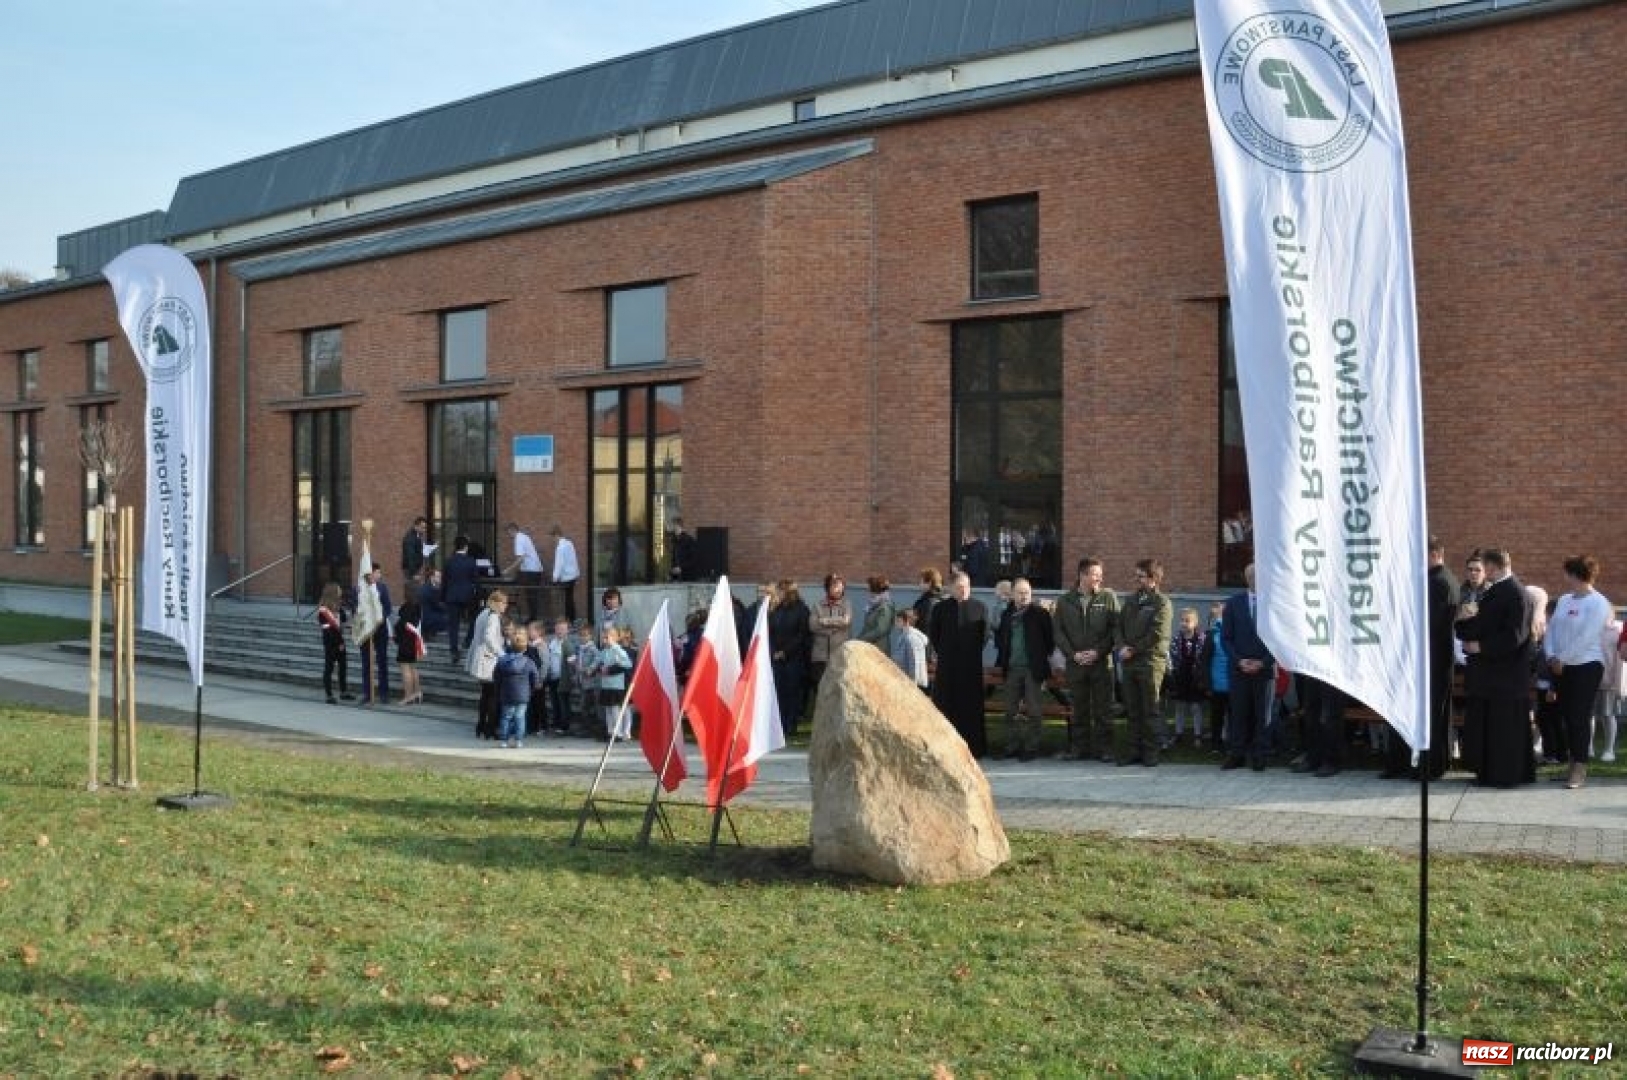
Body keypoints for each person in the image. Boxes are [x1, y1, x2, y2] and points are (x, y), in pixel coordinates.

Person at [1455, 547, 1536, 788]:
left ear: (1494, 566)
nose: (1484, 571)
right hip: (1489, 676)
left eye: (1486, 566)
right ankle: (1488, 772)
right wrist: (1462, 624)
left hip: (1505, 677)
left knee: (1504, 730)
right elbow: (1484, 624)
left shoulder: (1516, 593)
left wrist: (1481, 646)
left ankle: (1505, 775)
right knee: (1489, 727)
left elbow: (1515, 636)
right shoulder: (1497, 591)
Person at [1543, 555, 1613, 790]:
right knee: (1565, 716)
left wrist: (1562, 658)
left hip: (1586, 665)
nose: (1565, 578)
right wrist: (1551, 655)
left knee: (1578, 717)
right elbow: (1551, 629)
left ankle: (1580, 768)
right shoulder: (1564, 600)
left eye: (1568, 573)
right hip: (1560, 665)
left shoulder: (1599, 603)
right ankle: (1572, 763)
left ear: (1577, 575)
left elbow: (1587, 637)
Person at [1053, 557, 1120, 761]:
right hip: (1076, 664)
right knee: (1078, 708)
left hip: (1101, 663)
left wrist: (1098, 652)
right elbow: (1058, 632)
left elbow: (1116, 629)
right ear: (1082, 575)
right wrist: (1072, 654)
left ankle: (1105, 749)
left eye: (1100, 575)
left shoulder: (1108, 597)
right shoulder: (1065, 601)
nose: (1099, 578)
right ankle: (1079, 748)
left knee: (1103, 708)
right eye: (1095, 574)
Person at [1114, 559, 1172, 767]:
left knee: (1149, 709)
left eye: (1141, 576)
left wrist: (1132, 649)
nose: (1136, 579)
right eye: (1136, 575)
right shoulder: (1131, 600)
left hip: (1149, 662)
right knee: (1132, 708)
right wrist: (1121, 646)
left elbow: (1157, 634)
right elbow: (1118, 627)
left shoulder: (1162, 603)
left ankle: (1150, 751)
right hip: (1129, 662)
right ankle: (1133, 750)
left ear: (1153, 578)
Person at [927, 571, 991, 758]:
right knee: (946, 705)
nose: (965, 590)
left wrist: (970, 652)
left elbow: (984, 635)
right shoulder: (940, 609)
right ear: (951, 588)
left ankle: (974, 748)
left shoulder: (980, 607)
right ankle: (944, 746)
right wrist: (946, 652)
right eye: (960, 587)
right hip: (947, 667)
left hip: (971, 667)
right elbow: (935, 635)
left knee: (971, 707)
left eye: (967, 586)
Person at [994, 578, 1055, 761]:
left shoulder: (1040, 613)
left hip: (1033, 669)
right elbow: (1001, 638)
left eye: (1027, 592)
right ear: (1012, 594)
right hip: (1012, 668)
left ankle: (1031, 747)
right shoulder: (1007, 614)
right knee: (1010, 711)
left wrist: (1039, 657)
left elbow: (1049, 641)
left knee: (1034, 711)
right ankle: (1012, 746)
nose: (1024, 596)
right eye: (1020, 593)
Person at [1221, 563, 1274, 771]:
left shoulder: (1274, 602)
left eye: (1257, 576)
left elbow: (1280, 638)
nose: (1254, 580)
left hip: (1264, 669)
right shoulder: (1233, 603)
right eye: (1250, 576)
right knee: (1239, 713)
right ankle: (1237, 754)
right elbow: (1226, 638)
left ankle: (1260, 755)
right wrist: (1239, 661)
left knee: (1263, 714)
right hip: (1239, 669)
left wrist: (1264, 662)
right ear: (1246, 578)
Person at [769, 580, 811, 737]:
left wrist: (785, 652)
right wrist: (774, 651)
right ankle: (779, 726)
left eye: (780, 591)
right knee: (779, 692)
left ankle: (790, 725)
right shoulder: (776, 609)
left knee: (792, 692)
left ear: (788, 592)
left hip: (794, 659)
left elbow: (802, 635)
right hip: (777, 658)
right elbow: (770, 632)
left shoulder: (801, 610)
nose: (777, 593)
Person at [465, 589, 509, 740]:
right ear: (496, 603)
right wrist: (502, 654)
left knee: (485, 694)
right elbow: (489, 638)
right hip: (489, 659)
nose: (505, 606)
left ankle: (481, 725)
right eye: (504, 603)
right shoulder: (493, 616)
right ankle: (490, 728)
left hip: (482, 657)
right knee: (493, 696)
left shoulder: (483, 613)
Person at [494, 626, 541, 749]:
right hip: (523, 695)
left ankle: (504, 740)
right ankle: (518, 740)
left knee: (506, 717)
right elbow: (535, 678)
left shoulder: (502, 661)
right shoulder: (529, 662)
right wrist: (531, 690)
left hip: (506, 694)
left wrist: (498, 690)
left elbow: (496, 677)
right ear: (525, 648)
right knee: (520, 717)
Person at [808, 574, 853, 702]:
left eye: (841, 587)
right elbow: (812, 626)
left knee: (837, 689)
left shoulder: (846, 604)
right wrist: (832, 628)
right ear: (828, 588)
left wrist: (824, 621)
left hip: (839, 653)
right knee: (819, 688)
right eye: (836, 587)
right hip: (820, 655)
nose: (839, 590)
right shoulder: (818, 605)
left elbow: (846, 621)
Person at [1167, 607, 1207, 747]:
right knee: (1180, 706)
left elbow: (1204, 658)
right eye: (1182, 620)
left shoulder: (1202, 639)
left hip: (1195, 677)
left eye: (1187, 621)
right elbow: (1172, 657)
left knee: (1196, 707)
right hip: (1181, 676)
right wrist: (1173, 673)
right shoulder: (1177, 639)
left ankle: (1198, 735)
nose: (1183, 623)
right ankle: (1179, 733)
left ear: (1195, 623)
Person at [442, 536, 479, 665]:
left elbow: (444, 581)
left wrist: (443, 597)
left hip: (452, 596)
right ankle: (467, 640)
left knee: (453, 625)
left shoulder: (448, 561)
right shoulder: (471, 561)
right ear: (465, 547)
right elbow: (475, 580)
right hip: (467, 596)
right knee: (474, 618)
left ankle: (454, 651)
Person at [1200, 601, 1230, 754]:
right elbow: (1205, 661)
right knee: (1217, 715)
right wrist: (1208, 683)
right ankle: (1216, 744)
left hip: (1233, 683)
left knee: (1233, 716)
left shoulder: (1235, 632)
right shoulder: (1211, 635)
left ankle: (1231, 743)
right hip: (1217, 684)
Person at [316, 582, 352, 704]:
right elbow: (328, 631)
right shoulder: (323, 611)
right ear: (333, 592)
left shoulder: (338, 607)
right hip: (330, 643)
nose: (341, 591)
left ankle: (343, 692)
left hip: (340, 641)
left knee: (343, 667)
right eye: (339, 590)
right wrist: (339, 643)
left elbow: (344, 622)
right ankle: (329, 695)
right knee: (329, 668)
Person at [596, 625, 633, 740]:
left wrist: (611, 668)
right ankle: (610, 731)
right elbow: (598, 662)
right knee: (608, 709)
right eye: (603, 638)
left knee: (615, 709)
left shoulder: (619, 650)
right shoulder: (603, 651)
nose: (604, 640)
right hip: (606, 684)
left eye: (606, 638)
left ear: (615, 638)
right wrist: (599, 668)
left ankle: (619, 733)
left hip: (616, 685)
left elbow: (628, 664)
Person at [503, 522, 545, 623]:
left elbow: (520, 558)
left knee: (531, 596)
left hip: (531, 571)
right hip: (534, 570)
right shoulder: (524, 537)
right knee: (532, 596)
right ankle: (533, 618)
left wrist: (508, 570)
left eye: (508, 532)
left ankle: (533, 619)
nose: (509, 535)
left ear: (512, 530)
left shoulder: (518, 538)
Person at [890, 608, 930, 691]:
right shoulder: (903, 635)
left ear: (906, 621)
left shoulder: (912, 638)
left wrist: (912, 684)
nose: (895, 623)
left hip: (909, 681)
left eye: (898, 620)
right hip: (903, 677)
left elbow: (914, 663)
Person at [395, 596, 425, 705]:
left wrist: (395, 633)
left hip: (405, 643)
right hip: (413, 642)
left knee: (405, 670)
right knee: (413, 668)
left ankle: (408, 696)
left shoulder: (407, 609)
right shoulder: (418, 608)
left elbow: (401, 625)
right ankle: (417, 692)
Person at [549, 524, 581, 622]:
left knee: (566, 599)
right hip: (573, 576)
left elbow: (559, 563)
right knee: (569, 598)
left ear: (556, 535)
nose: (553, 540)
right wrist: (577, 574)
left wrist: (554, 578)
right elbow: (574, 559)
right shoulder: (569, 543)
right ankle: (572, 618)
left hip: (566, 577)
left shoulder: (560, 547)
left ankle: (568, 619)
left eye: (553, 537)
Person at [857, 576, 896, 650]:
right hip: (869, 645)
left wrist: (862, 639)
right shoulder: (873, 604)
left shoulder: (885, 606)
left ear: (875, 589)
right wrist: (857, 639)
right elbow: (867, 627)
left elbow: (881, 629)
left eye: (869, 587)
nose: (867, 590)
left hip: (879, 647)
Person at [417, 568, 448, 644]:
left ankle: (429, 633)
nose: (440, 578)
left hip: (426, 613)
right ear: (432, 577)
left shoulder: (430, 586)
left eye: (440, 577)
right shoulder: (429, 589)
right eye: (438, 576)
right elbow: (436, 604)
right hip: (426, 616)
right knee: (447, 619)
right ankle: (429, 633)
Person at [400, 515, 430, 583]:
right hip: (411, 570)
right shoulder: (410, 538)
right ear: (416, 526)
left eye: (425, 528)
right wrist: (413, 573)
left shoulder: (417, 536)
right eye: (422, 527)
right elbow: (410, 556)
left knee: (415, 587)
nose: (424, 530)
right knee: (413, 587)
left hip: (414, 569)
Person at [670, 517, 698, 582]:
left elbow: (694, 559)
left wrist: (681, 568)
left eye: (675, 527)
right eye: (673, 527)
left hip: (688, 577)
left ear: (680, 527)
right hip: (677, 577)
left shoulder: (689, 540)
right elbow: (674, 559)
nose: (674, 529)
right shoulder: (674, 541)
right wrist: (673, 571)